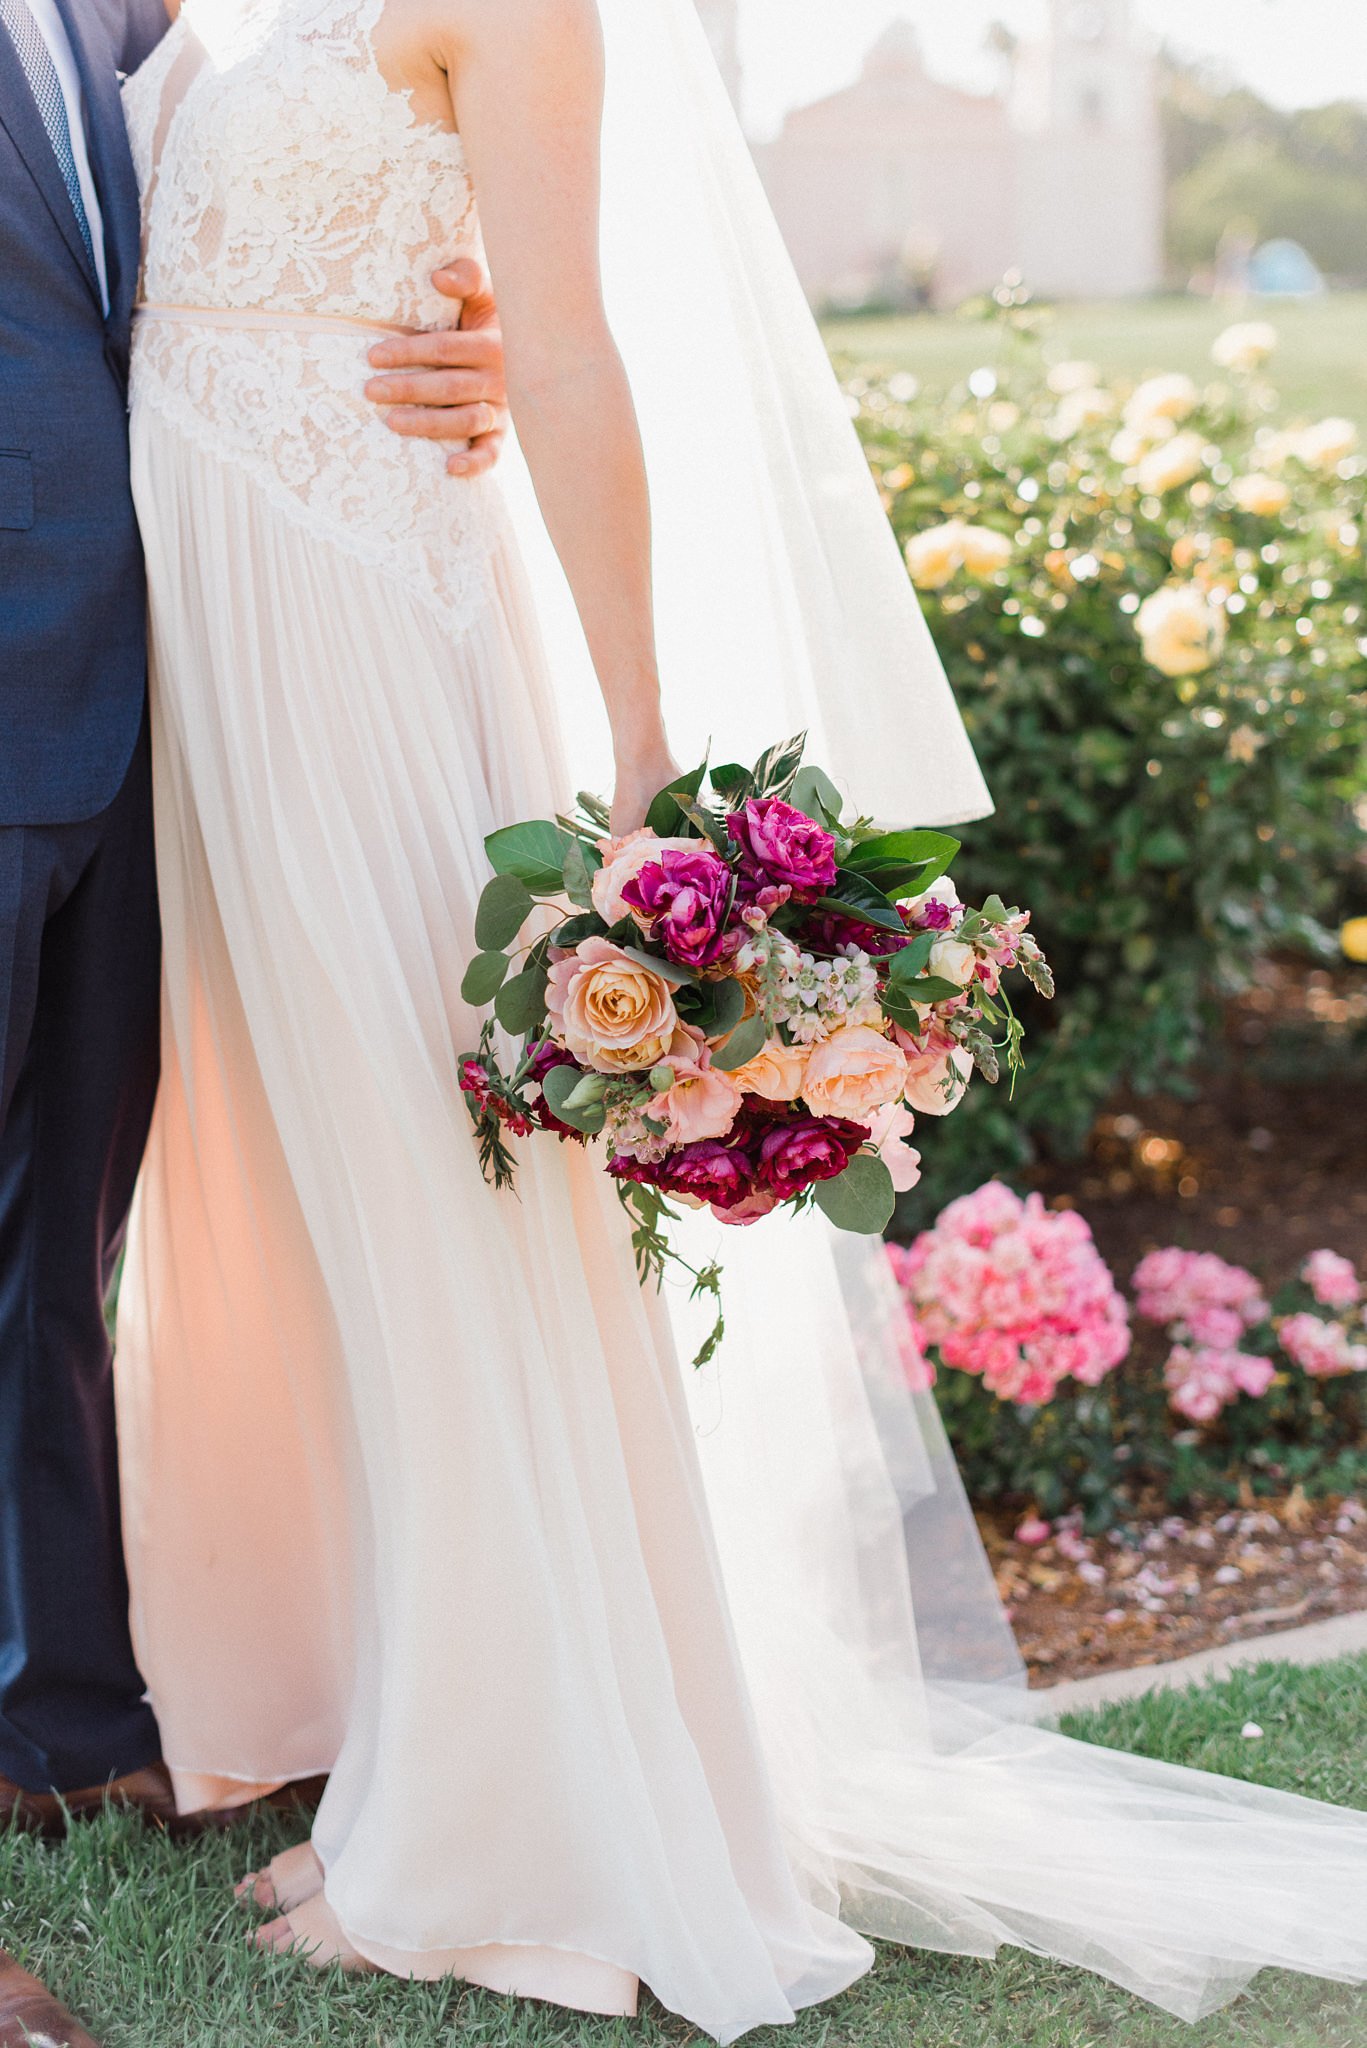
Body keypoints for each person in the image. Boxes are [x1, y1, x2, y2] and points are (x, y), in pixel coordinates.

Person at [114, 0, 1367, 2037]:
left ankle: (510, 1823)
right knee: (326, 1201)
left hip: (363, 636)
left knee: (449, 1214)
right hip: (230, 643)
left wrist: (630, 742)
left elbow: (579, 338)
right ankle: (412, 1730)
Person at [0, 0, 510, 1830]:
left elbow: (230, 256)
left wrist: (463, 328)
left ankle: (60, 1727)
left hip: (166, 704)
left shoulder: (128, 19)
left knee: (62, 1249)